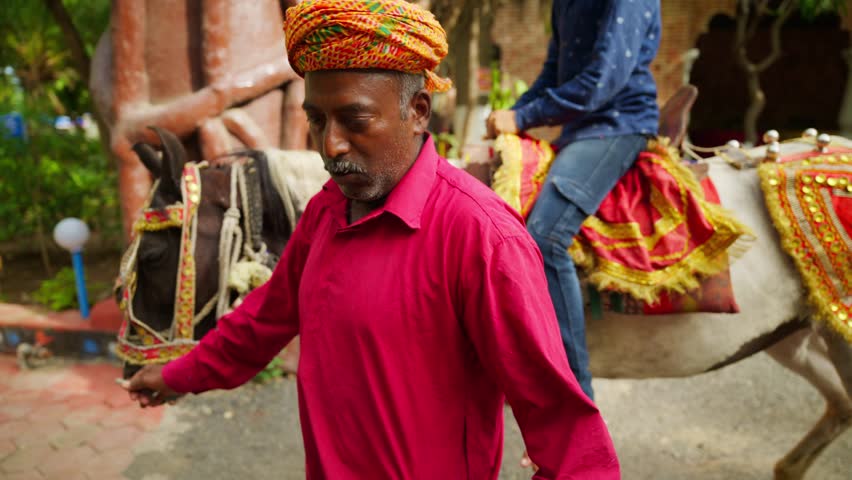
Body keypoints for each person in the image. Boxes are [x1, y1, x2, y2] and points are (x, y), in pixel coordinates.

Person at [122, 1, 619, 478]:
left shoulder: (482, 238)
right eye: (317, 120)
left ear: (418, 111)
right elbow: (265, 318)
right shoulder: (326, 211)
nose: (331, 144)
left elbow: (567, 433)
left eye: (355, 120)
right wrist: (176, 375)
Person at [486, 0, 662, 400]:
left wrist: (525, 118)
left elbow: (602, 81)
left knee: (545, 237)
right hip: (578, 131)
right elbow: (553, 72)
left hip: (617, 126)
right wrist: (512, 112)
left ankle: (574, 395)